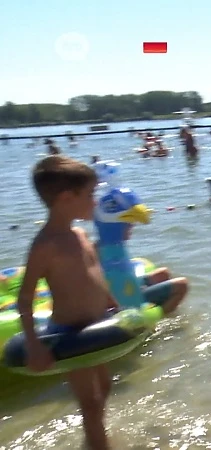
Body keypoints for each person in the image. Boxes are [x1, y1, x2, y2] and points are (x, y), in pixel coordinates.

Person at [17, 155, 117, 450]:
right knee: (91, 403)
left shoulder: (80, 233)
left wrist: (111, 301)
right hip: (69, 333)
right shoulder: (45, 244)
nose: (94, 201)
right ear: (65, 198)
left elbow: (94, 271)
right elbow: (25, 298)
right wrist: (35, 345)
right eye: (89, 194)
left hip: (96, 324)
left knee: (105, 389)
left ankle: (93, 442)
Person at [120, 225, 189, 314]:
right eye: (127, 224)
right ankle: (156, 316)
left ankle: (160, 306)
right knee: (182, 284)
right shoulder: (106, 249)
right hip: (124, 297)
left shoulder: (116, 246)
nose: (132, 225)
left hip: (128, 286)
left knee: (163, 273)